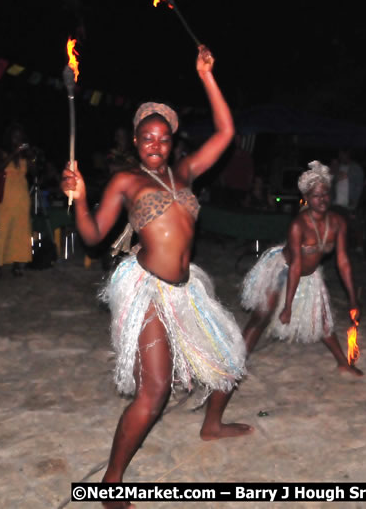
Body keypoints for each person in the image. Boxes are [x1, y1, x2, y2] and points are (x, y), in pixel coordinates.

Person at [60, 46, 246, 502]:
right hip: (146, 290)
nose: (155, 145)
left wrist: (207, 76)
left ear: (172, 142)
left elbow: (226, 131)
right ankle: (111, 483)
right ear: (135, 141)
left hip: (186, 289)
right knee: (155, 390)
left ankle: (212, 424)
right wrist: (79, 198)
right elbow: (92, 234)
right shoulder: (126, 182)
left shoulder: (186, 172)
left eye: (163, 138)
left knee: (228, 363)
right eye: (147, 138)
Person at [201, 160, 362, 441]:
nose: (322, 199)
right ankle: (235, 362)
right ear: (306, 198)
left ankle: (342, 362)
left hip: (309, 276)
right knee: (259, 321)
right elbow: (296, 266)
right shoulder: (299, 224)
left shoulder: (337, 222)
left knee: (322, 320)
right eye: (316, 195)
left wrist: (352, 298)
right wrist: (287, 307)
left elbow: (343, 262)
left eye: (325, 194)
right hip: (281, 272)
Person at [0, 123, 33, 278]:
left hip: (22, 195)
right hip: (5, 195)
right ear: (9, 138)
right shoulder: (0, 151)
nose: (17, 139)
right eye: (15, 136)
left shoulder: (24, 154)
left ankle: (17, 262)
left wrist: (31, 156)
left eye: (20, 137)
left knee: (20, 229)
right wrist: (14, 153)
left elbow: (34, 171)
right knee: (3, 228)